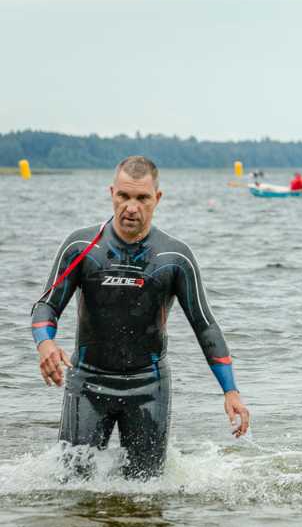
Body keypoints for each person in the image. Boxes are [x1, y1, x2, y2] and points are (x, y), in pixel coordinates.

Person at [31, 156, 250, 479]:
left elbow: (205, 326)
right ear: (112, 193)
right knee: (70, 486)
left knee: (147, 492)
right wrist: (45, 343)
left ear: (157, 199)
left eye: (142, 198)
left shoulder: (174, 257)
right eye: (124, 196)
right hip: (88, 383)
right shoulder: (81, 247)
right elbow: (45, 306)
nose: (131, 207)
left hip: (149, 387)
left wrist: (231, 391)